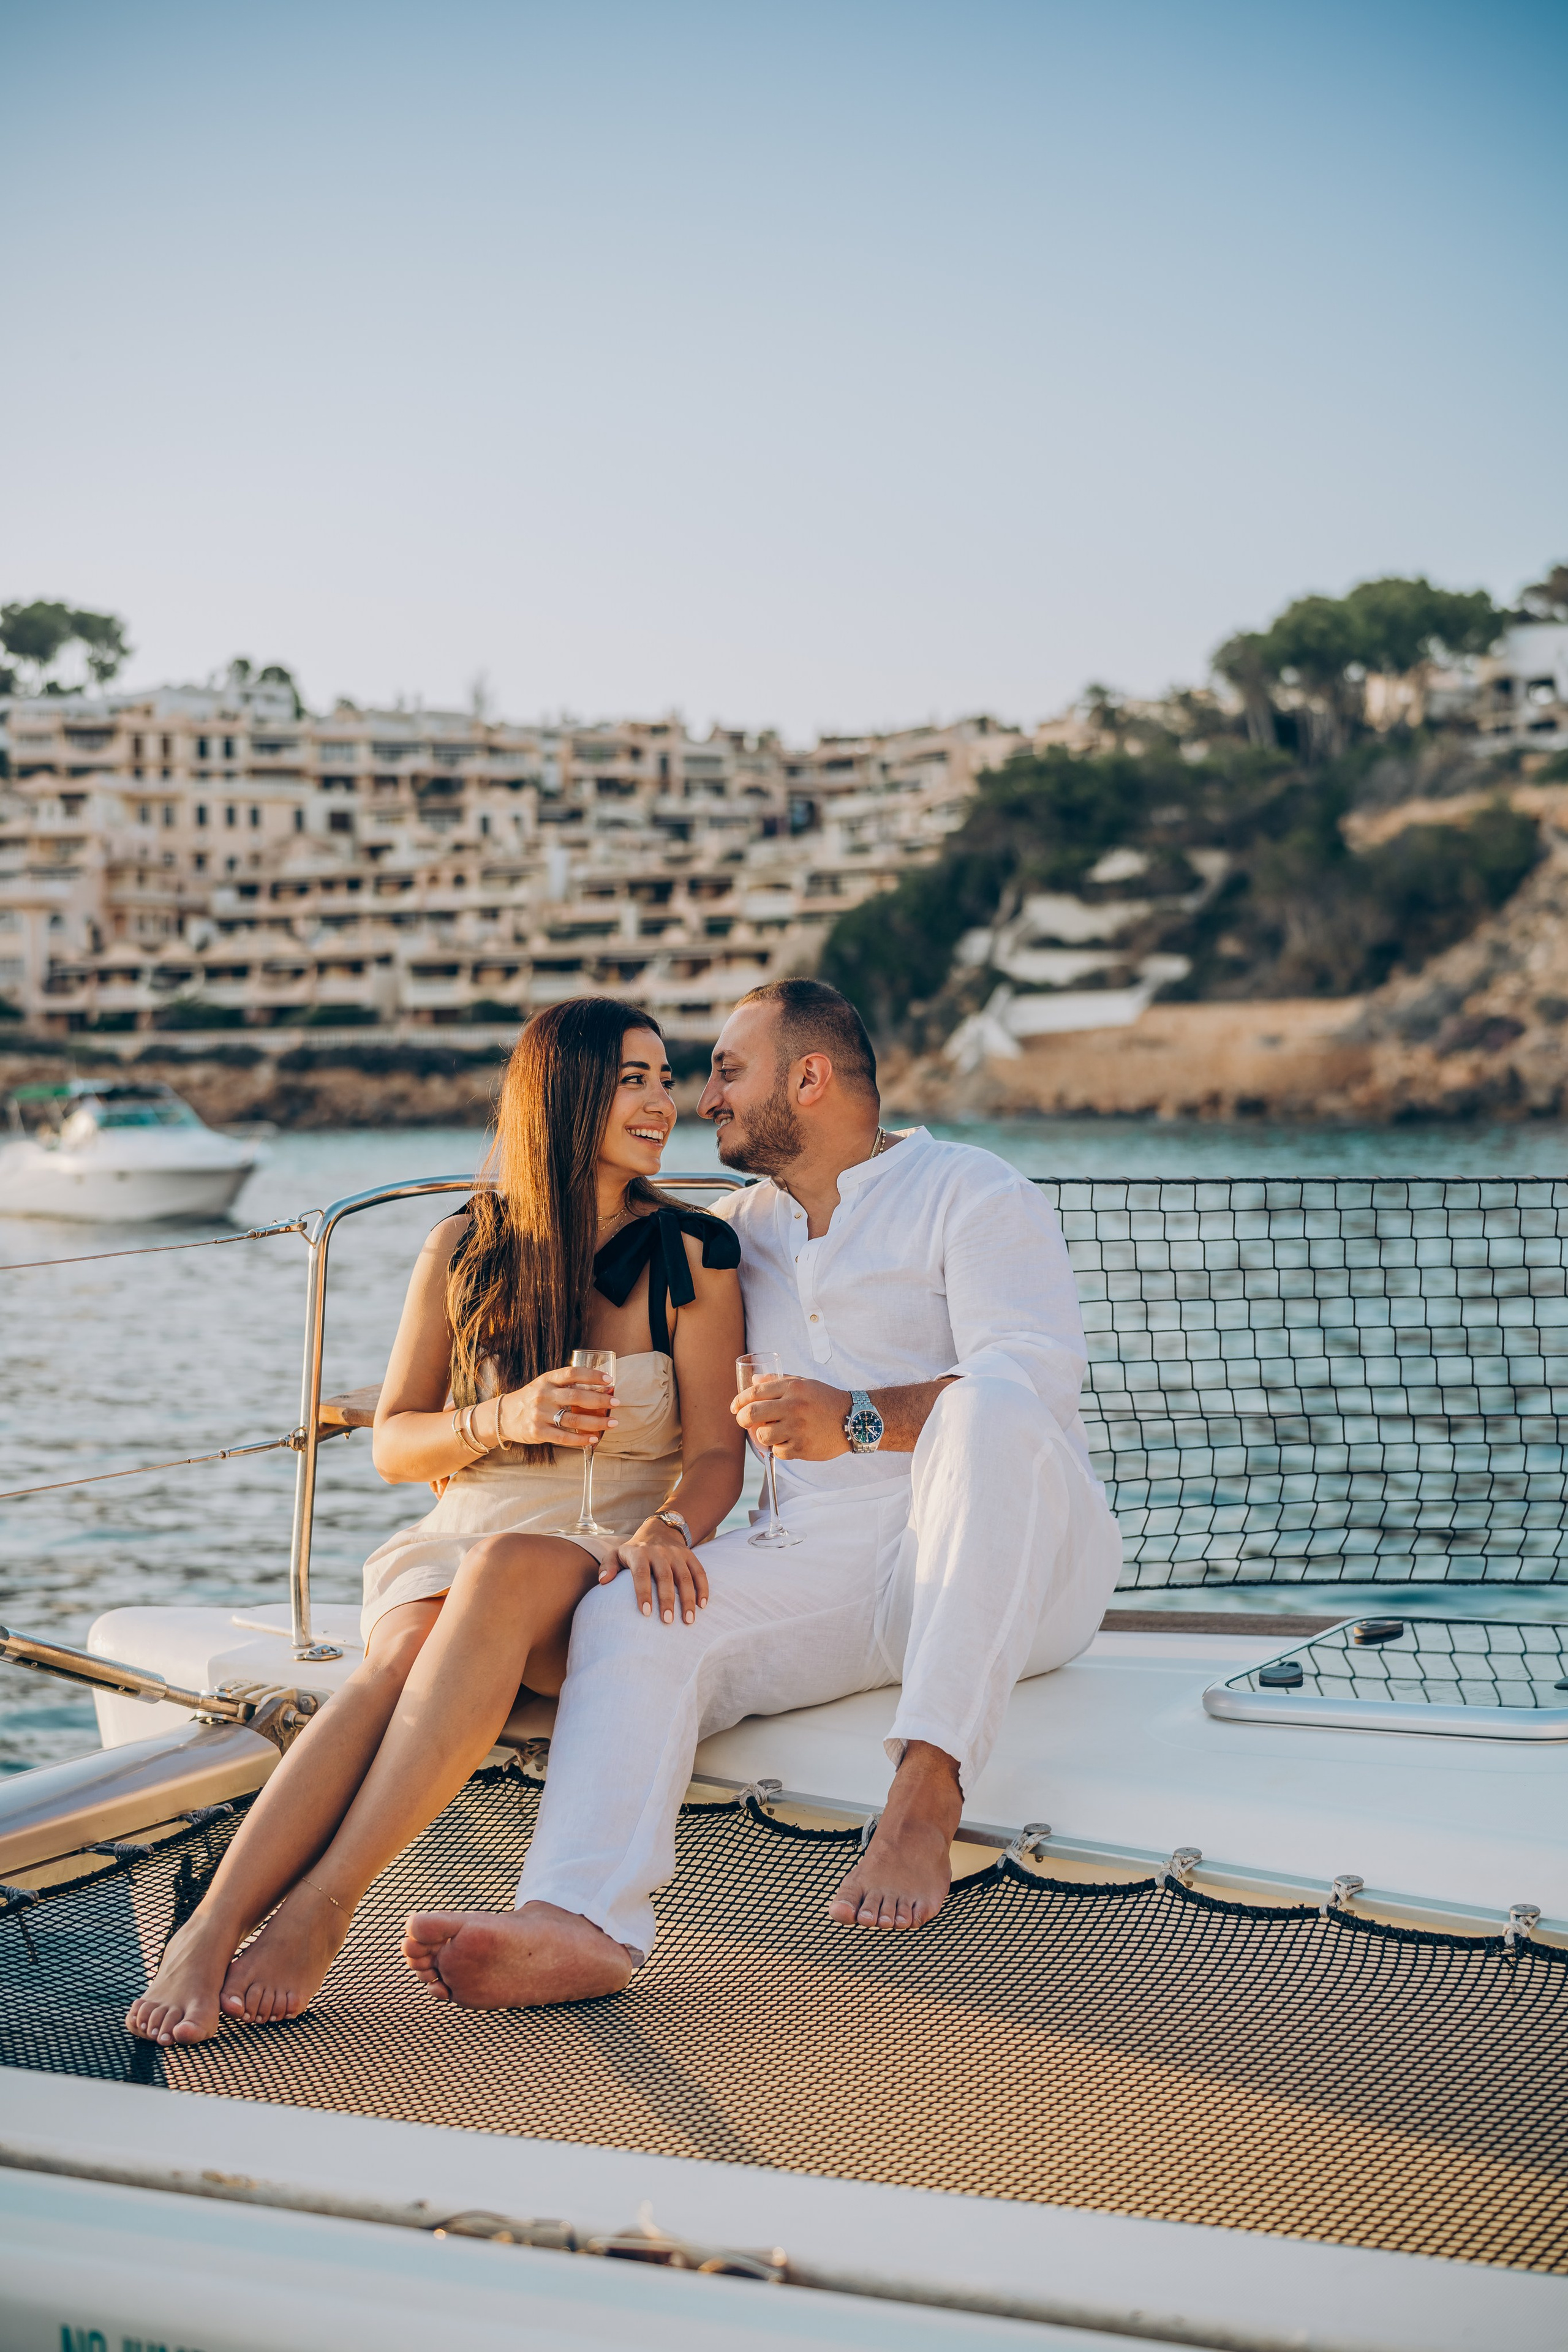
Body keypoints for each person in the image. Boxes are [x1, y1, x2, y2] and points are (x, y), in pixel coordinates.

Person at [401, 978, 1122, 2008]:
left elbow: (1036, 1384)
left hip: (1017, 1560)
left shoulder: (974, 1190)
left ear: (810, 1077)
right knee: (637, 1607)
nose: (705, 1101)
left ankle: (926, 1789)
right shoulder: (733, 1235)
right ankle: (580, 1920)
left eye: (727, 1071)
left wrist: (857, 1417)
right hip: (822, 1555)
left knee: (991, 1405)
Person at [126, 1000, 744, 2046]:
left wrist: (675, 1529)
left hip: (598, 1549)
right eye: (632, 1079)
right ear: (564, 1096)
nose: (661, 1103)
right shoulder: (465, 1244)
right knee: (405, 1642)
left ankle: (323, 1908)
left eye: (666, 1078)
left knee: (501, 1566)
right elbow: (397, 1443)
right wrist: (504, 1414)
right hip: (459, 1532)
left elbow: (721, 1453)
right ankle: (214, 1926)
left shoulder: (697, 1252)